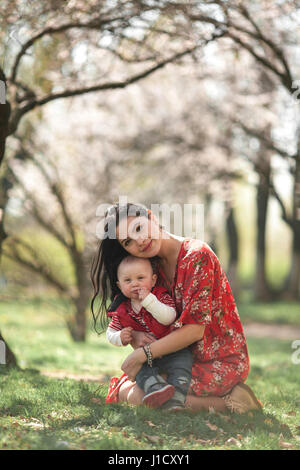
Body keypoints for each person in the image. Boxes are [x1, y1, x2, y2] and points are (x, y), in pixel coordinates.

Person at [91, 202, 263, 414]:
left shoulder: (197, 256)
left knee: (138, 394)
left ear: (152, 218)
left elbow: (194, 330)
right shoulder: (148, 270)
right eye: (128, 242)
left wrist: (143, 354)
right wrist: (134, 335)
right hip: (174, 358)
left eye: (139, 228)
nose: (140, 241)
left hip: (217, 361)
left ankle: (235, 404)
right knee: (138, 390)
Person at [105, 255, 193, 410]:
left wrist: (149, 300)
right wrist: (119, 337)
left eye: (140, 278)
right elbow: (110, 332)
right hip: (145, 358)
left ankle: (176, 399)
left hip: (172, 350)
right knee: (140, 370)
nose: (135, 284)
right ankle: (156, 389)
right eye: (128, 281)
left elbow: (169, 317)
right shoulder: (121, 309)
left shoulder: (160, 296)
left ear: (153, 280)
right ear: (119, 285)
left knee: (182, 365)